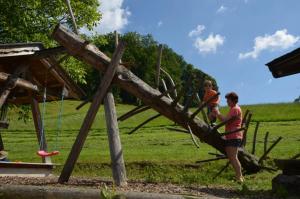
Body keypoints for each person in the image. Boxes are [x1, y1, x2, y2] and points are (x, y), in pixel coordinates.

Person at [214, 92, 244, 183]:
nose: (227, 101)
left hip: (233, 136)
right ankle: (239, 176)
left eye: (228, 100)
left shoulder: (234, 109)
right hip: (233, 135)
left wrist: (217, 113)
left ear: (232, 100)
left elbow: (225, 121)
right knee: (233, 157)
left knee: (233, 157)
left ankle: (239, 178)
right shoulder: (234, 108)